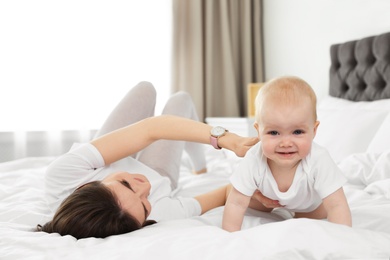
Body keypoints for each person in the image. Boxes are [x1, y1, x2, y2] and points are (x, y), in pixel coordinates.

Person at [36, 81, 259, 239]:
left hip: (102, 162)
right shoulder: (162, 212)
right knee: (181, 101)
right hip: (159, 170)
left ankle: (197, 165)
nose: (145, 185)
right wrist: (255, 191)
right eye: (144, 205)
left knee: (145, 89)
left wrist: (228, 139)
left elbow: (151, 128)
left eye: (125, 184)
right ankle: (200, 167)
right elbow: (224, 193)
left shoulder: (62, 176)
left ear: (87, 185)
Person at [222, 76, 352, 232]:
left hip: (311, 208)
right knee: (244, 197)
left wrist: (343, 238)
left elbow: (337, 204)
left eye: (297, 132)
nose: (285, 143)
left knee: (315, 215)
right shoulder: (254, 157)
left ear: (314, 130)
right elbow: (236, 203)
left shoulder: (318, 159)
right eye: (274, 132)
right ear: (258, 131)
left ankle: (301, 214)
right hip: (269, 202)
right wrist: (229, 236)